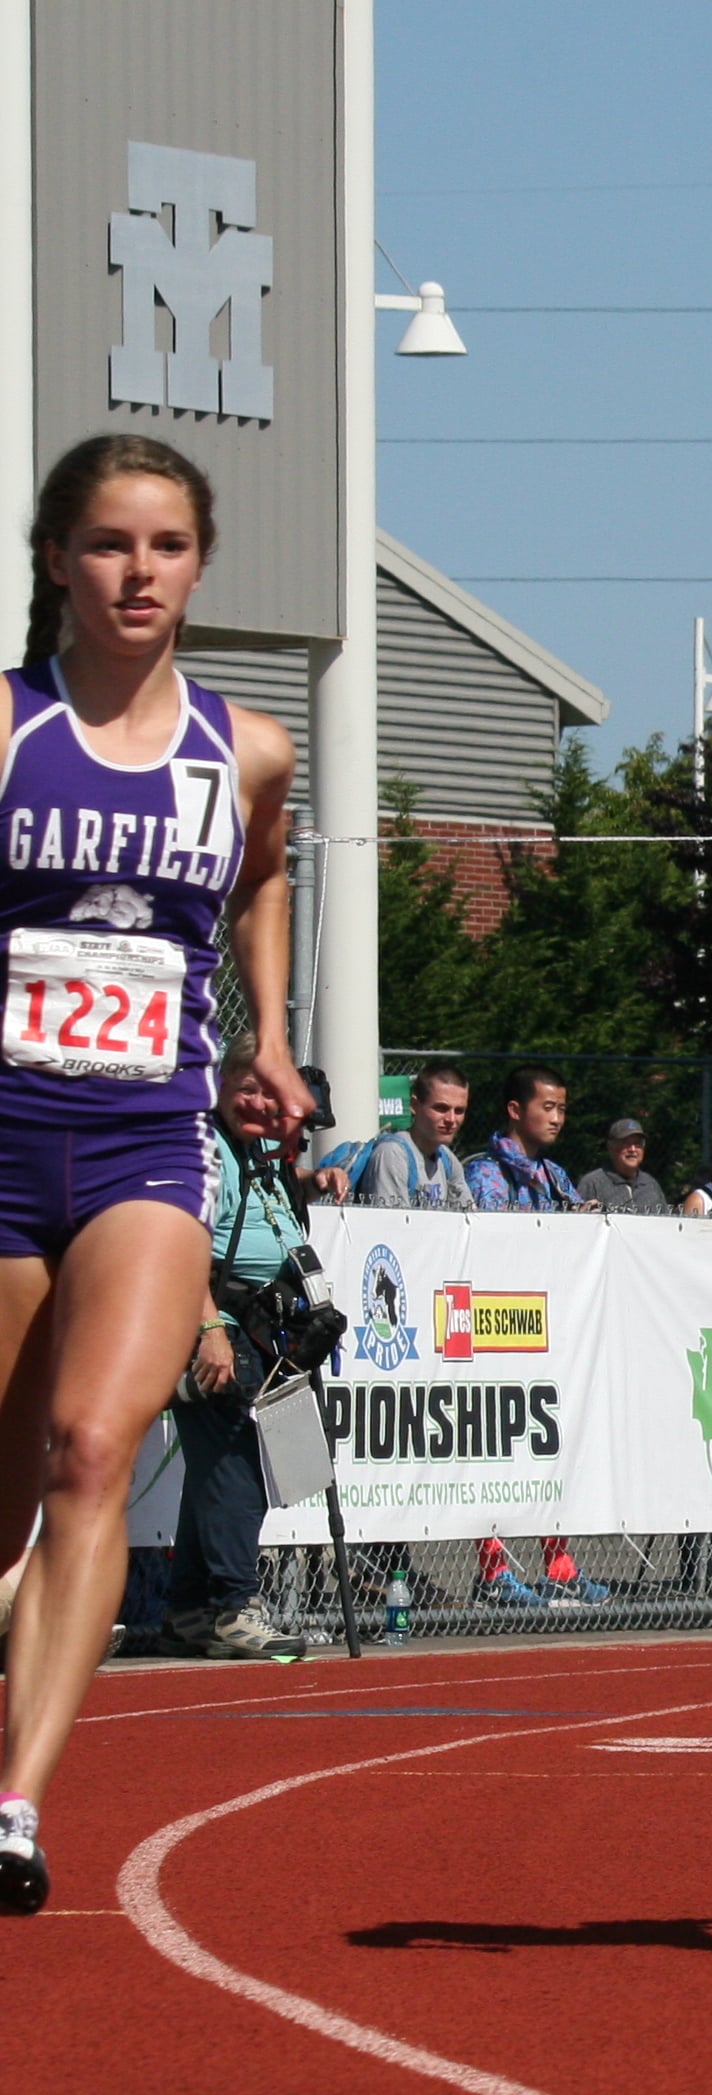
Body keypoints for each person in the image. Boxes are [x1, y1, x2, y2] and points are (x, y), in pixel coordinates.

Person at [0, 434, 306, 1914]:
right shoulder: (4, 730)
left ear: (199, 564)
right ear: (56, 557)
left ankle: (16, 1802)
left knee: (93, 1451)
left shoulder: (243, 751)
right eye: (110, 544)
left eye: (167, 546)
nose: (139, 573)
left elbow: (262, 874)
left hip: (143, 1141)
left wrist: (274, 1038)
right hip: (0, 1137)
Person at [162, 1094, 312, 1660]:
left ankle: (191, 1609)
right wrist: (210, 1330)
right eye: (248, 1088)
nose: (262, 1105)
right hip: (217, 1330)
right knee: (236, 1468)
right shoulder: (213, 1154)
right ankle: (233, 1607)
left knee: (216, 1469)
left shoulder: (255, 1155)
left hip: (256, 1332)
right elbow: (186, 1248)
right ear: (222, 1085)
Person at [356, 1062, 474, 1208]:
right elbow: (391, 1226)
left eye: (459, 1111)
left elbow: (468, 1220)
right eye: (441, 1108)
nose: (451, 1119)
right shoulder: (392, 1155)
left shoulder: (447, 1160)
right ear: (414, 1105)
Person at [466, 1066, 580, 1210]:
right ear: (515, 1110)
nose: (556, 1119)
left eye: (561, 1110)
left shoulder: (553, 1174)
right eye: (548, 1107)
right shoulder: (486, 1173)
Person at [574, 1116, 670, 1215]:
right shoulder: (593, 1183)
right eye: (626, 1143)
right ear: (610, 1147)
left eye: (638, 1144)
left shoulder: (651, 1185)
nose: (632, 1149)